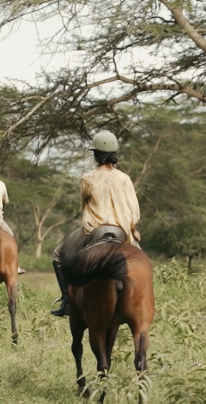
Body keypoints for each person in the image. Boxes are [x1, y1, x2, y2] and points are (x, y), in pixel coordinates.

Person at [50, 130, 140, 317]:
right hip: (122, 232)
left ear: (96, 155)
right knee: (141, 261)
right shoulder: (125, 178)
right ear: (114, 154)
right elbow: (134, 209)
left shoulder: (87, 178)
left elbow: (85, 206)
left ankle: (66, 299)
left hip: (94, 232)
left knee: (58, 255)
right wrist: (133, 229)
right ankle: (140, 301)